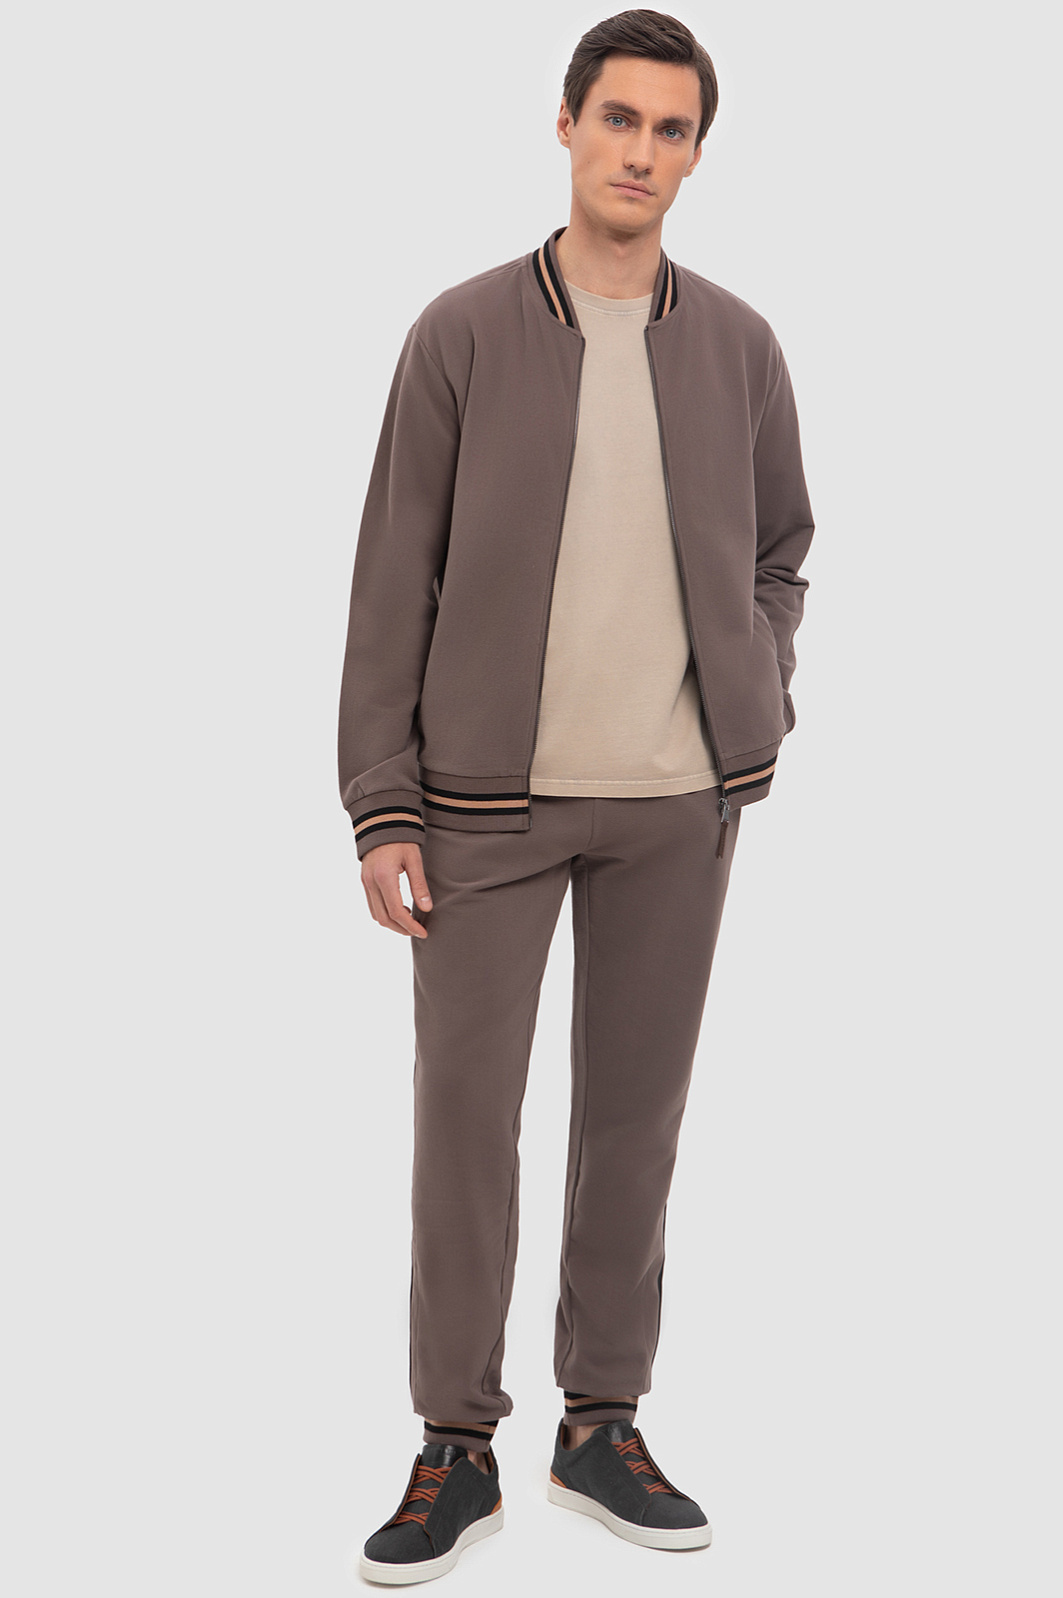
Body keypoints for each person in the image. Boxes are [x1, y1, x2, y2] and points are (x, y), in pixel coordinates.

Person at [339, 9, 815, 1583]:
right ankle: (454, 1442)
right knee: (463, 1123)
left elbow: (782, 546)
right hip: (481, 809)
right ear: (565, 126)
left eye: (672, 131)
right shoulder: (463, 334)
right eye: (620, 119)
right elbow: (391, 578)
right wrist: (382, 801)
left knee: (634, 1124)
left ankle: (601, 1425)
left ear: (695, 154)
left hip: (681, 807)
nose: (642, 153)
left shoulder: (739, 344)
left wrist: (757, 684)